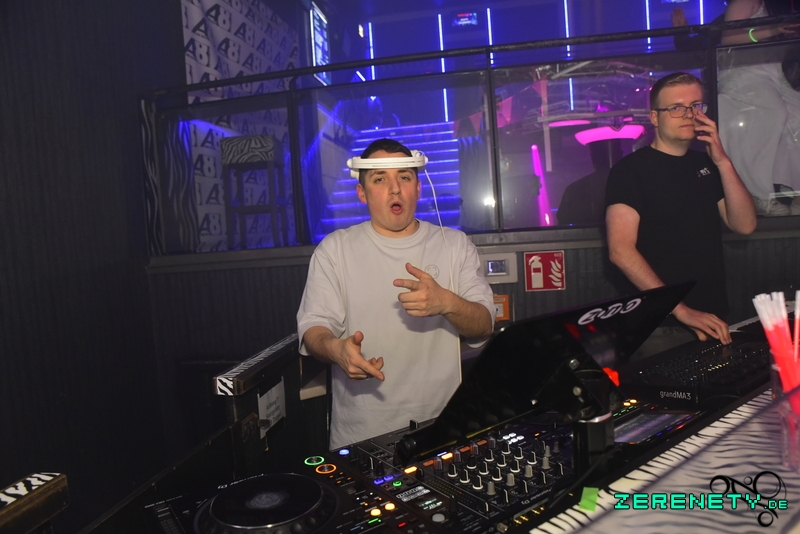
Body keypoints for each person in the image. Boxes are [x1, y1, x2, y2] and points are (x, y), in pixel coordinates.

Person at [296, 138, 496, 449]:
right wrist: (336, 349)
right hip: (361, 434)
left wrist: (446, 302)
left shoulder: (455, 245)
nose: (394, 189)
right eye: (380, 179)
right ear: (362, 193)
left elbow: (484, 324)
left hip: (442, 428)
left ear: (418, 188)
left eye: (404, 177)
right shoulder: (335, 250)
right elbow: (314, 327)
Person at [605, 72, 757, 359]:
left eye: (696, 106)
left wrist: (723, 162)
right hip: (660, 326)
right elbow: (620, 251)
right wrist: (682, 310)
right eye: (676, 107)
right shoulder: (630, 171)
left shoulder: (707, 165)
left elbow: (745, 225)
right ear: (654, 117)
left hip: (713, 317)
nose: (689, 114)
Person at [717, 0, 800, 216]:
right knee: (772, 113)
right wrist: (771, 31)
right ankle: (758, 193)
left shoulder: (782, 5)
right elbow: (728, 39)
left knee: (797, 117)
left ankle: (795, 189)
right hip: (744, 70)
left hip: (775, 71)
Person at [557, 139, 623, 226]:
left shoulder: (573, 191)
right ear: (621, 154)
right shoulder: (634, 187)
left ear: (593, 157)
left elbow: (563, 229)